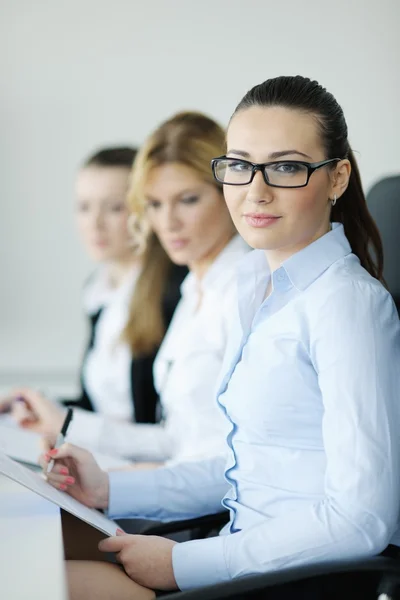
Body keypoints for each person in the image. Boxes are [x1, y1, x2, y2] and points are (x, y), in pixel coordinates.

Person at [41, 75, 400, 600]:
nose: (255, 190)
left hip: (293, 581)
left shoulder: (345, 305)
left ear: (337, 177)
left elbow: (361, 519)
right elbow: (244, 468)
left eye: (286, 166)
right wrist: (112, 488)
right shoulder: (260, 288)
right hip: (245, 555)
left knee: (46, 582)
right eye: (238, 165)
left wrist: (185, 563)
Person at [10, 112, 249, 466]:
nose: (167, 222)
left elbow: (214, 455)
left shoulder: (210, 286)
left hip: (186, 495)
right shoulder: (192, 287)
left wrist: (116, 479)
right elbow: (178, 439)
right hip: (157, 479)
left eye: (188, 200)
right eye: (154, 204)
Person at [1, 147, 186, 451]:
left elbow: (171, 433)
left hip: (148, 468)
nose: (94, 223)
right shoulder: (98, 290)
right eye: (84, 207)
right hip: (105, 458)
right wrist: (35, 406)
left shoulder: (174, 290)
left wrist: (65, 421)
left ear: (145, 209)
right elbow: (98, 407)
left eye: (114, 207)